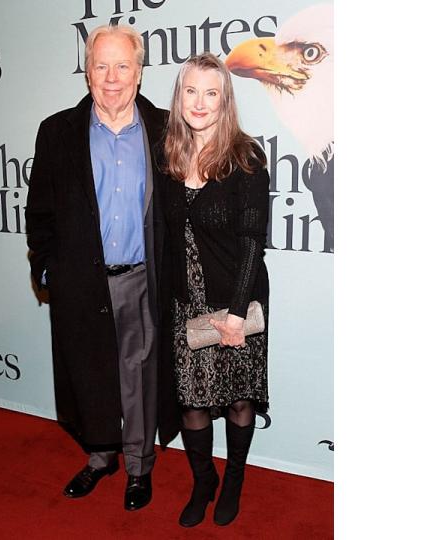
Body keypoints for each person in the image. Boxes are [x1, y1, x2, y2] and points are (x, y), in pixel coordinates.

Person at [25, 24, 179, 512]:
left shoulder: (166, 129)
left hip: (141, 279)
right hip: (81, 280)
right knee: (88, 374)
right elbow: (39, 213)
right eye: (101, 65)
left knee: (138, 376)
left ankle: (137, 466)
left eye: (122, 66)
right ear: (87, 70)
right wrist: (50, 271)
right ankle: (99, 457)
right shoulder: (57, 132)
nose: (111, 78)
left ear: (139, 72)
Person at [161, 52, 271, 527]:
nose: (200, 102)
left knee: (239, 399)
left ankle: (235, 479)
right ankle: (203, 480)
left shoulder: (245, 157)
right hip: (185, 304)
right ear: (179, 96)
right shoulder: (167, 155)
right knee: (192, 402)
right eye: (191, 91)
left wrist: (235, 315)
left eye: (211, 93)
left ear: (225, 100)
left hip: (236, 300)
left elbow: (252, 242)